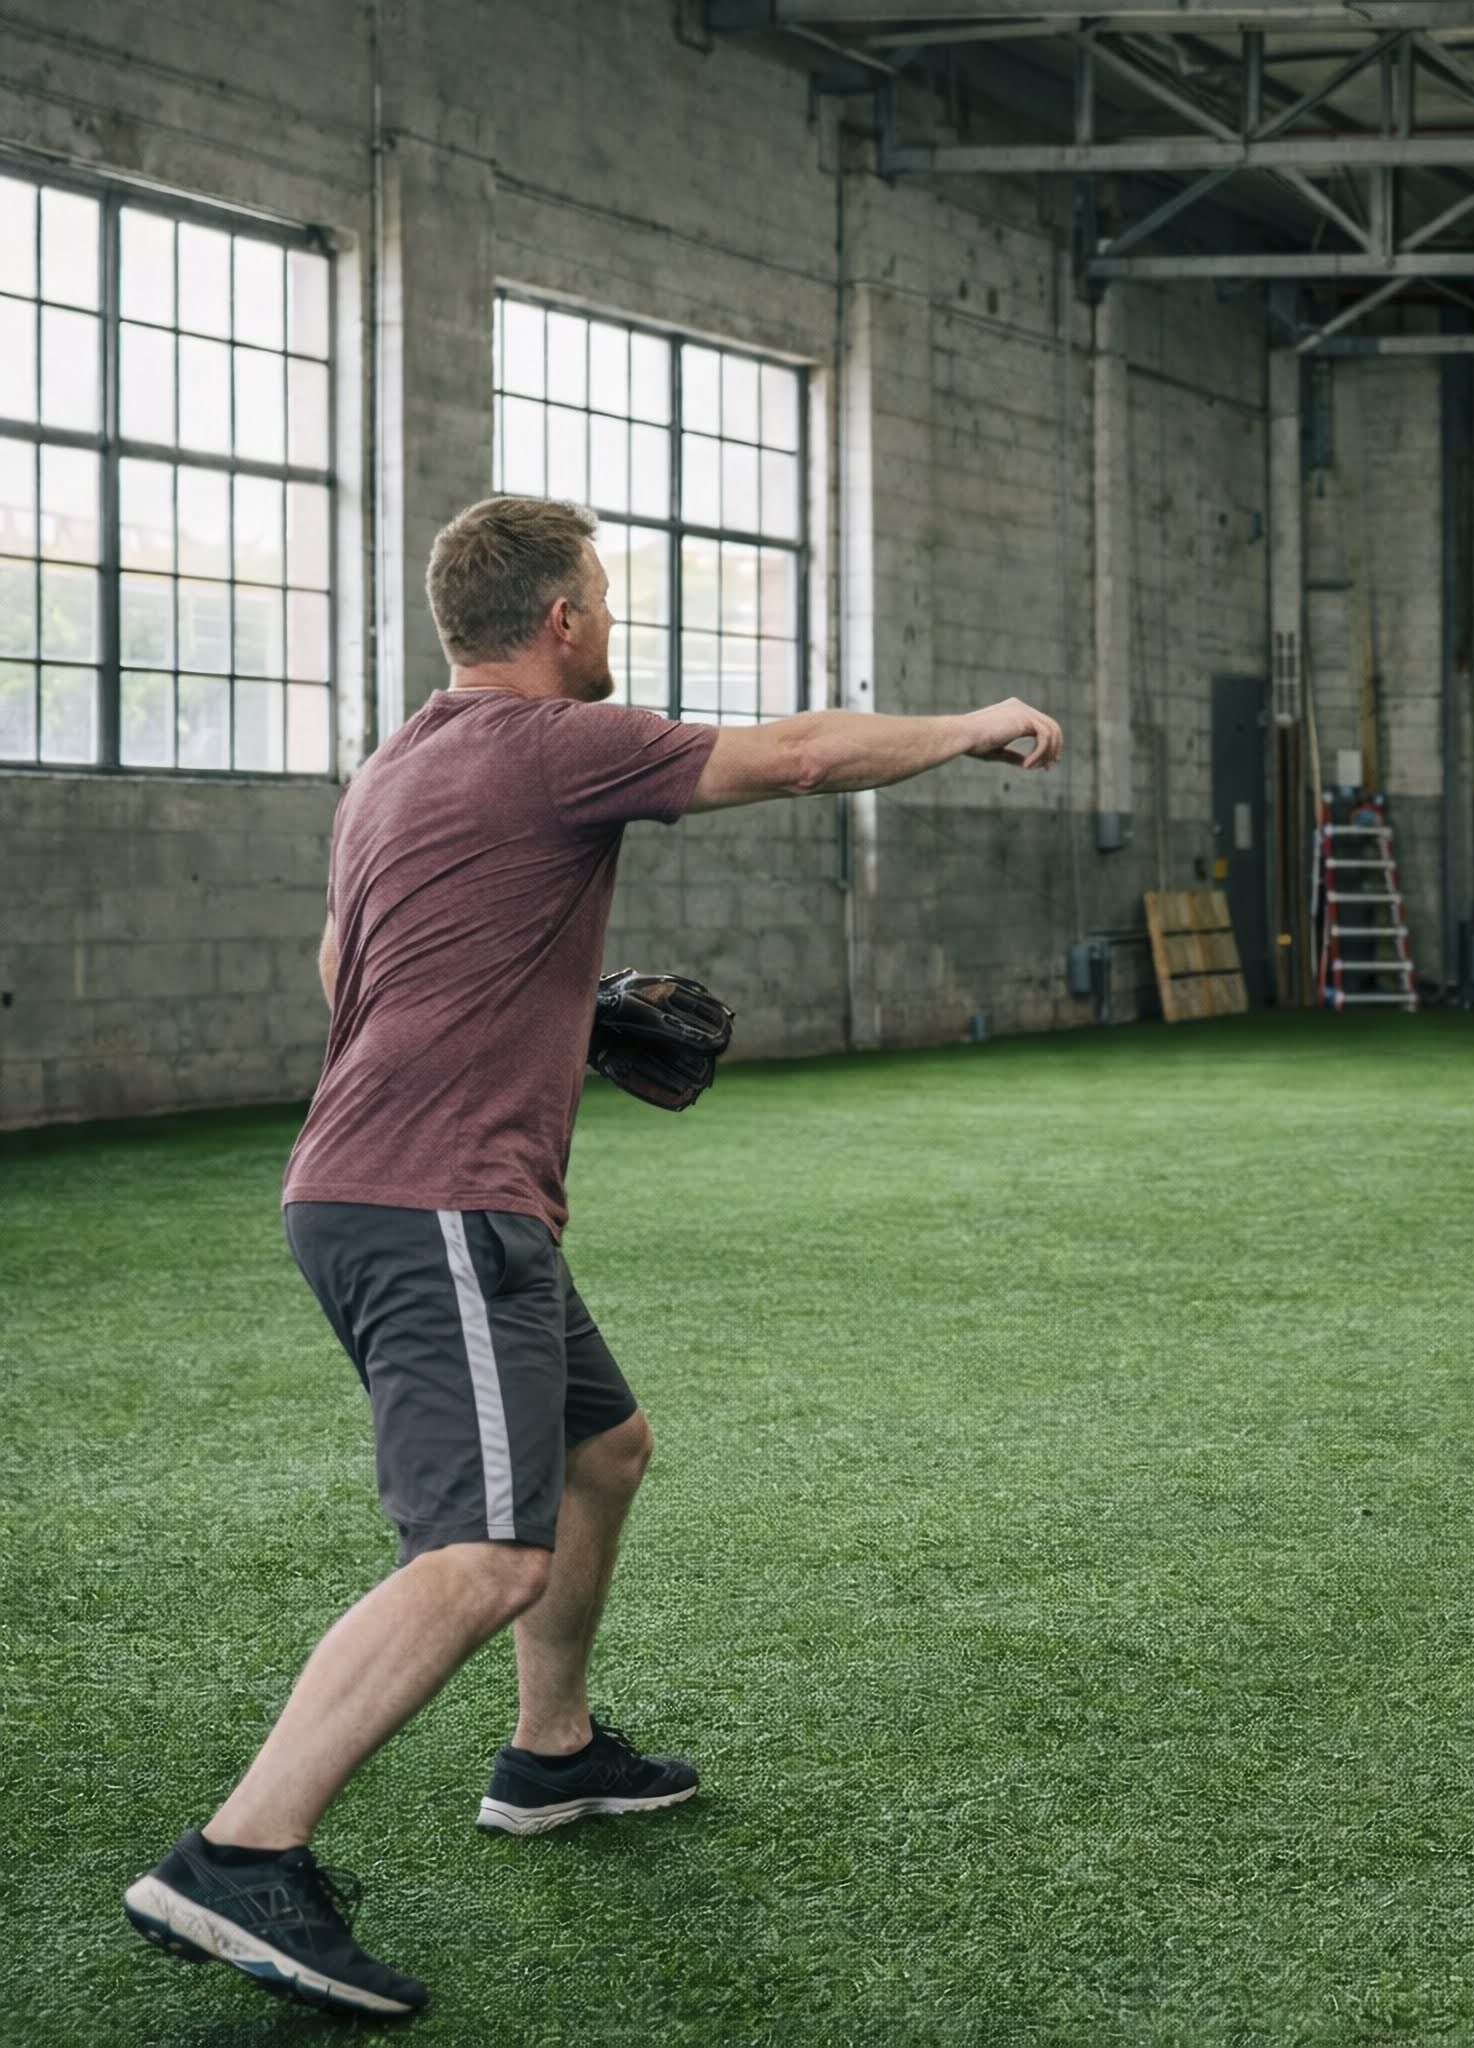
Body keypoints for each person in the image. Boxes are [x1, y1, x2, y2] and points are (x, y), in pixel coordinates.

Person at [123, 495, 1065, 2018]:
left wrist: (560, 1000)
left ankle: (548, 1754)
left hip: (392, 1187)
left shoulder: (395, 769)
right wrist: (979, 723)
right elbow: (804, 755)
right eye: (607, 603)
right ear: (560, 620)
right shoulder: (557, 745)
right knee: (484, 1554)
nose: (612, 628)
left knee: (603, 1452)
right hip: (431, 1200)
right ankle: (241, 1851)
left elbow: (339, 970)